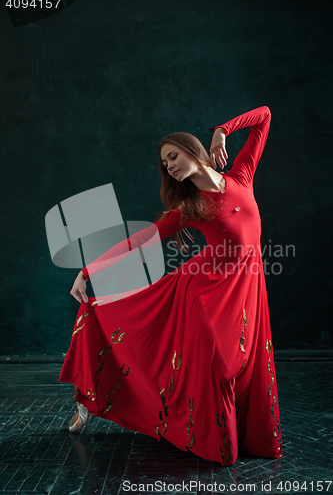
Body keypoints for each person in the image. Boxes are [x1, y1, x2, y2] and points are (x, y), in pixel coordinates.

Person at [59, 106, 283, 466]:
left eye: (173, 156)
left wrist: (223, 129)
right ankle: (216, 444)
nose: (169, 166)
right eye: (165, 163)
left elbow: (265, 117)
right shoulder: (190, 208)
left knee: (243, 366)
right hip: (202, 294)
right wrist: (88, 271)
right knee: (219, 366)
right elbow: (140, 241)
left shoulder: (241, 176)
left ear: (192, 149)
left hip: (244, 292)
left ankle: (238, 438)